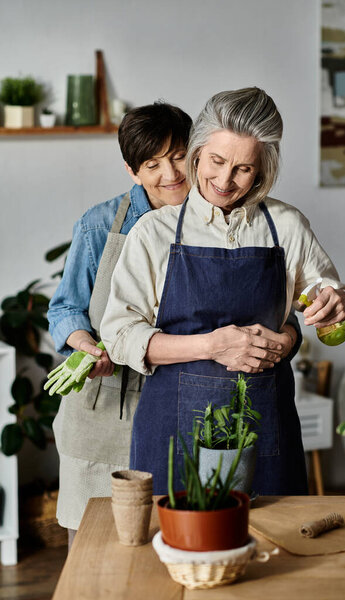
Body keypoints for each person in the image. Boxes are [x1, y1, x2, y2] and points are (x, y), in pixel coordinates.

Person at [101, 87, 345, 496]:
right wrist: (213, 346)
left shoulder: (286, 226)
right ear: (197, 152)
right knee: (177, 550)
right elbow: (118, 337)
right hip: (172, 430)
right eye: (216, 161)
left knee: (278, 547)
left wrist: (340, 305)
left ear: (262, 169)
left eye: (243, 168)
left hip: (264, 424)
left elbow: (329, 300)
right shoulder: (154, 233)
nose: (223, 180)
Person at [47, 102, 192, 546]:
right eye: (153, 164)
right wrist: (85, 347)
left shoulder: (212, 222)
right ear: (133, 171)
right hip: (104, 409)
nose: (170, 173)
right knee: (92, 546)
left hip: (181, 402)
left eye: (178, 156)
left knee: (172, 541)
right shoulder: (99, 225)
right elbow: (65, 309)